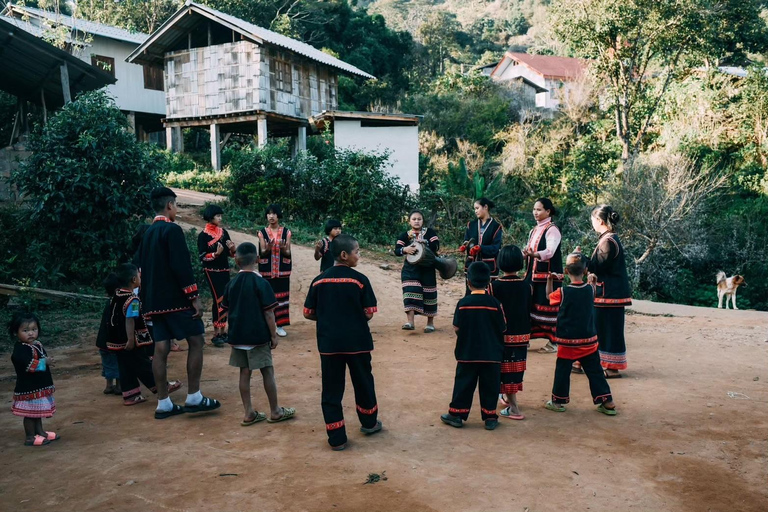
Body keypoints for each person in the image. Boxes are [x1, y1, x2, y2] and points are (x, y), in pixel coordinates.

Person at [136, 187, 220, 420]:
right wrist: (193, 296)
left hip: (153, 302)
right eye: (176, 205)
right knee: (196, 341)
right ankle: (194, 396)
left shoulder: (148, 233)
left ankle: (164, 403)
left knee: (160, 348)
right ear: (170, 205)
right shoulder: (172, 230)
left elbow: (139, 268)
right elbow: (181, 266)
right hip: (175, 300)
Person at [303, 234, 382, 451]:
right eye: (357, 251)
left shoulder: (318, 281)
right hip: (358, 343)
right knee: (363, 382)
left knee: (331, 389)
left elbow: (308, 313)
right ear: (345, 255)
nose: (359, 255)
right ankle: (369, 423)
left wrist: (329, 317)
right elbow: (368, 313)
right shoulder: (360, 280)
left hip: (329, 345)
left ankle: (337, 438)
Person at [221, 242, 296, 426]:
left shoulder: (231, 284)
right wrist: (273, 335)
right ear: (257, 259)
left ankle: (248, 413)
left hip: (237, 337)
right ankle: (275, 411)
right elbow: (269, 313)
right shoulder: (262, 283)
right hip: (258, 336)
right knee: (267, 371)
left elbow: (226, 311)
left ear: (236, 260)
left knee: (244, 373)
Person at [544, 252, 617, 415]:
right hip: (588, 340)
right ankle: (607, 401)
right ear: (585, 271)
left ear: (566, 271)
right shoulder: (589, 290)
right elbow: (594, 288)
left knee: (562, 370)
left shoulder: (562, 293)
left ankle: (558, 401)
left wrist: (549, 280)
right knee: (595, 371)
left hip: (567, 341)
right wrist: (594, 281)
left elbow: (548, 297)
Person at [440, 262, 506, 430]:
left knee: (463, 383)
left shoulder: (463, 303)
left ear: (468, 281)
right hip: (492, 355)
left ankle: (456, 414)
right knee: (490, 386)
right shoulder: (496, 304)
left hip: (467, 353)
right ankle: (490, 417)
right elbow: (503, 327)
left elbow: (457, 328)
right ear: (488, 282)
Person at [106, 264, 182, 406]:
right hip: (132, 340)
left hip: (116, 340)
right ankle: (162, 387)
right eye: (139, 277)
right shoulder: (132, 299)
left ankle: (130, 395)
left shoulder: (116, 295)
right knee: (143, 364)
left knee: (125, 366)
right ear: (134, 280)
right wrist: (130, 339)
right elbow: (130, 319)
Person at [586, 205, 632, 378]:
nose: (592, 224)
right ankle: (601, 363)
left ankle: (612, 367)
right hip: (608, 293)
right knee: (603, 328)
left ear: (600, 221)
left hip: (609, 294)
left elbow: (599, 266)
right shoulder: (608, 239)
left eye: (593, 220)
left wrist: (581, 260)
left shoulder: (608, 241)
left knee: (609, 329)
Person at [488, 245, 531, 420]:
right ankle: (508, 399)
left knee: (502, 369)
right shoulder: (527, 286)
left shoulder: (494, 286)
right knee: (514, 369)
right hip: (521, 336)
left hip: (501, 336)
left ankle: (514, 408)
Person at [9, 311, 59, 446]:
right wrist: (45, 362)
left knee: (37, 412)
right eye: (25, 330)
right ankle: (30, 437)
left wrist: (46, 361)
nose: (30, 333)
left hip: (38, 386)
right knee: (30, 414)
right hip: (29, 388)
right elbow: (28, 364)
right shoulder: (21, 349)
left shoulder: (36, 344)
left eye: (34, 329)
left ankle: (40, 432)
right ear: (16, 332)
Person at [523, 198, 563, 354]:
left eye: (539, 209)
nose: (535, 212)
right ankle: (525, 339)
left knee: (549, 309)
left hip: (548, 279)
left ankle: (554, 342)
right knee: (528, 307)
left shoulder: (552, 229)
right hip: (531, 276)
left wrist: (533, 254)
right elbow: (528, 250)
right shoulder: (533, 230)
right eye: (534, 209)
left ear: (548, 211)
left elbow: (550, 251)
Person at [394, 210, 440, 332]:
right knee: (410, 290)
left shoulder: (430, 233)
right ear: (409, 221)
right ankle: (410, 322)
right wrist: (405, 249)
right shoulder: (405, 235)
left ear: (422, 221)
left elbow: (436, 246)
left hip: (428, 268)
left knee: (429, 293)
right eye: (414, 219)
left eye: (419, 219)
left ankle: (430, 324)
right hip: (410, 268)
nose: (416, 221)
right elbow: (397, 250)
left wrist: (426, 242)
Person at [197, 204, 236, 347]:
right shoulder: (203, 235)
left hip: (224, 269)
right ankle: (216, 333)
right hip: (211, 272)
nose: (220, 218)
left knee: (226, 298)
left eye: (220, 215)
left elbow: (231, 254)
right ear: (210, 217)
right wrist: (215, 254)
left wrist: (232, 249)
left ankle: (223, 330)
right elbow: (202, 256)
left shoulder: (224, 232)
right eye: (217, 216)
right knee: (218, 299)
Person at [257, 204, 292, 337]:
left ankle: (280, 325)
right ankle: (266, 326)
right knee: (266, 297)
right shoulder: (262, 232)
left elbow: (288, 252)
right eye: (269, 214)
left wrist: (283, 250)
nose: (271, 216)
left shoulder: (286, 232)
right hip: (267, 271)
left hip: (282, 271)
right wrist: (268, 248)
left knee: (282, 297)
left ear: (278, 215)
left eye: (274, 214)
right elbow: (262, 252)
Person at [460, 198, 503, 290]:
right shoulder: (471, 225)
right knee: (470, 293)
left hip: (488, 266)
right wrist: (465, 246)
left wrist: (481, 248)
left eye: (477, 208)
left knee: (488, 292)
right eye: (474, 209)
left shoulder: (496, 227)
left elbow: (496, 247)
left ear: (485, 207)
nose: (475, 211)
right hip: (472, 264)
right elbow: (467, 240)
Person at [96, 273, 121, 396]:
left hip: (103, 342)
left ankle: (109, 385)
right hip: (112, 342)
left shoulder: (109, 302)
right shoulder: (118, 304)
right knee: (118, 364)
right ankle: (119, 386)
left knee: (107, 364)